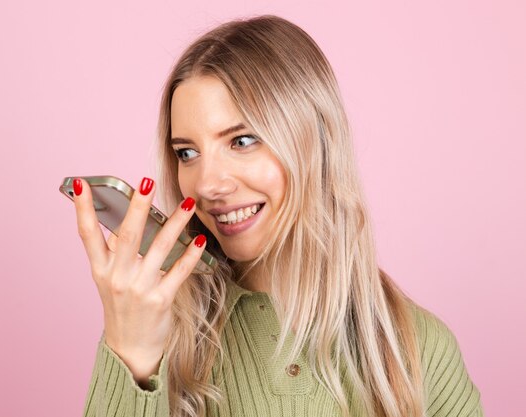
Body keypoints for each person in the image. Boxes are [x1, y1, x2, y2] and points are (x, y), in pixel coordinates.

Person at [72, 14, 484, 417]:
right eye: (187, 153)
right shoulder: (160, 334)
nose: (208, 184)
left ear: (315, 142)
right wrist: (132, 355)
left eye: (243, 140)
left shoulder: (418, 347)